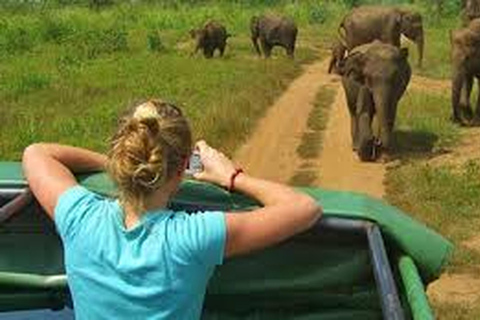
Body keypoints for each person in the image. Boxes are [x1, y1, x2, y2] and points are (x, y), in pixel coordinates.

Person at [22, 99, 322, 320]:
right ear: (181, 171)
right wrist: (231, 176)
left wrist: (122, 163)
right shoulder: (192, 237)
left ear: (121, 159)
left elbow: (36, 153)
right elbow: (304, 207)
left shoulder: (80, 218)